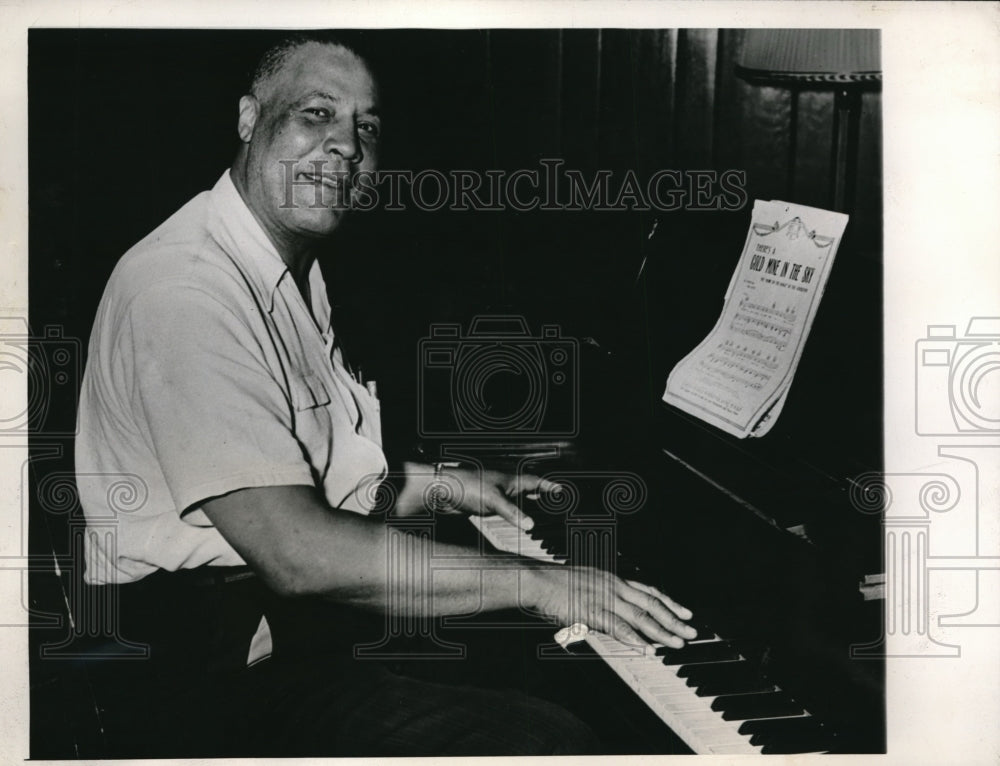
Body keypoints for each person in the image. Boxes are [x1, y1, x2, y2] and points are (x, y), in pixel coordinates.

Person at [75, 32, 697, 757]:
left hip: (264, 621)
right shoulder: (185, 288)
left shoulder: (284, 262)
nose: (346, 147)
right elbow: (296, 550)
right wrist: (542, 582)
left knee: (543, 666)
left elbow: (309, 471)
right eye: (316, 115)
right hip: (198, 668)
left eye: (365, 127)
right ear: (249, 118)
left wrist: (438, 486)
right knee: (542, 733)